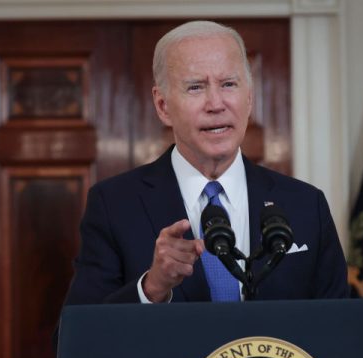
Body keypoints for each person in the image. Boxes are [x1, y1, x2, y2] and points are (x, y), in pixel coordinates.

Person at [62, 20, 348, 310]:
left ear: (248, 98)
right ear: (163, 106)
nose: (216, 104)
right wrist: (153, 288)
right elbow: (75, 342)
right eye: (196, 87)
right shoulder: (114, 205)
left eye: (228, 84)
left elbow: (340, 331)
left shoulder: (306, 204)